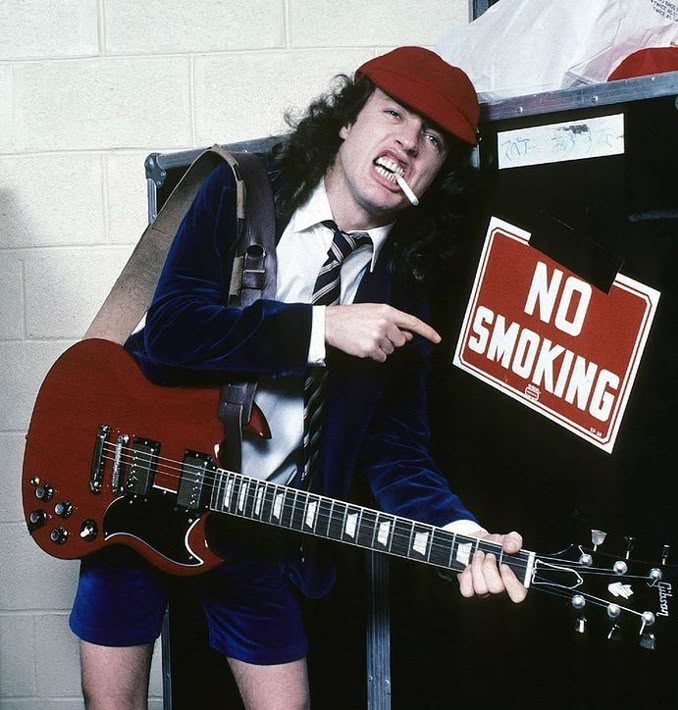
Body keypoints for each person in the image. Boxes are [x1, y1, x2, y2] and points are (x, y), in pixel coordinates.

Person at [69, 46, 527, 710]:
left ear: (436, 177)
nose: (409, 142)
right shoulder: (240, 192)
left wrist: (459, 535)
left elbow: (396, 451)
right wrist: (320, 328)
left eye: (434, 140)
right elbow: (171, 331)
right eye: (393, 114)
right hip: (142, 491)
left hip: (256, 527)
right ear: (347, 122)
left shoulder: (408, 288)